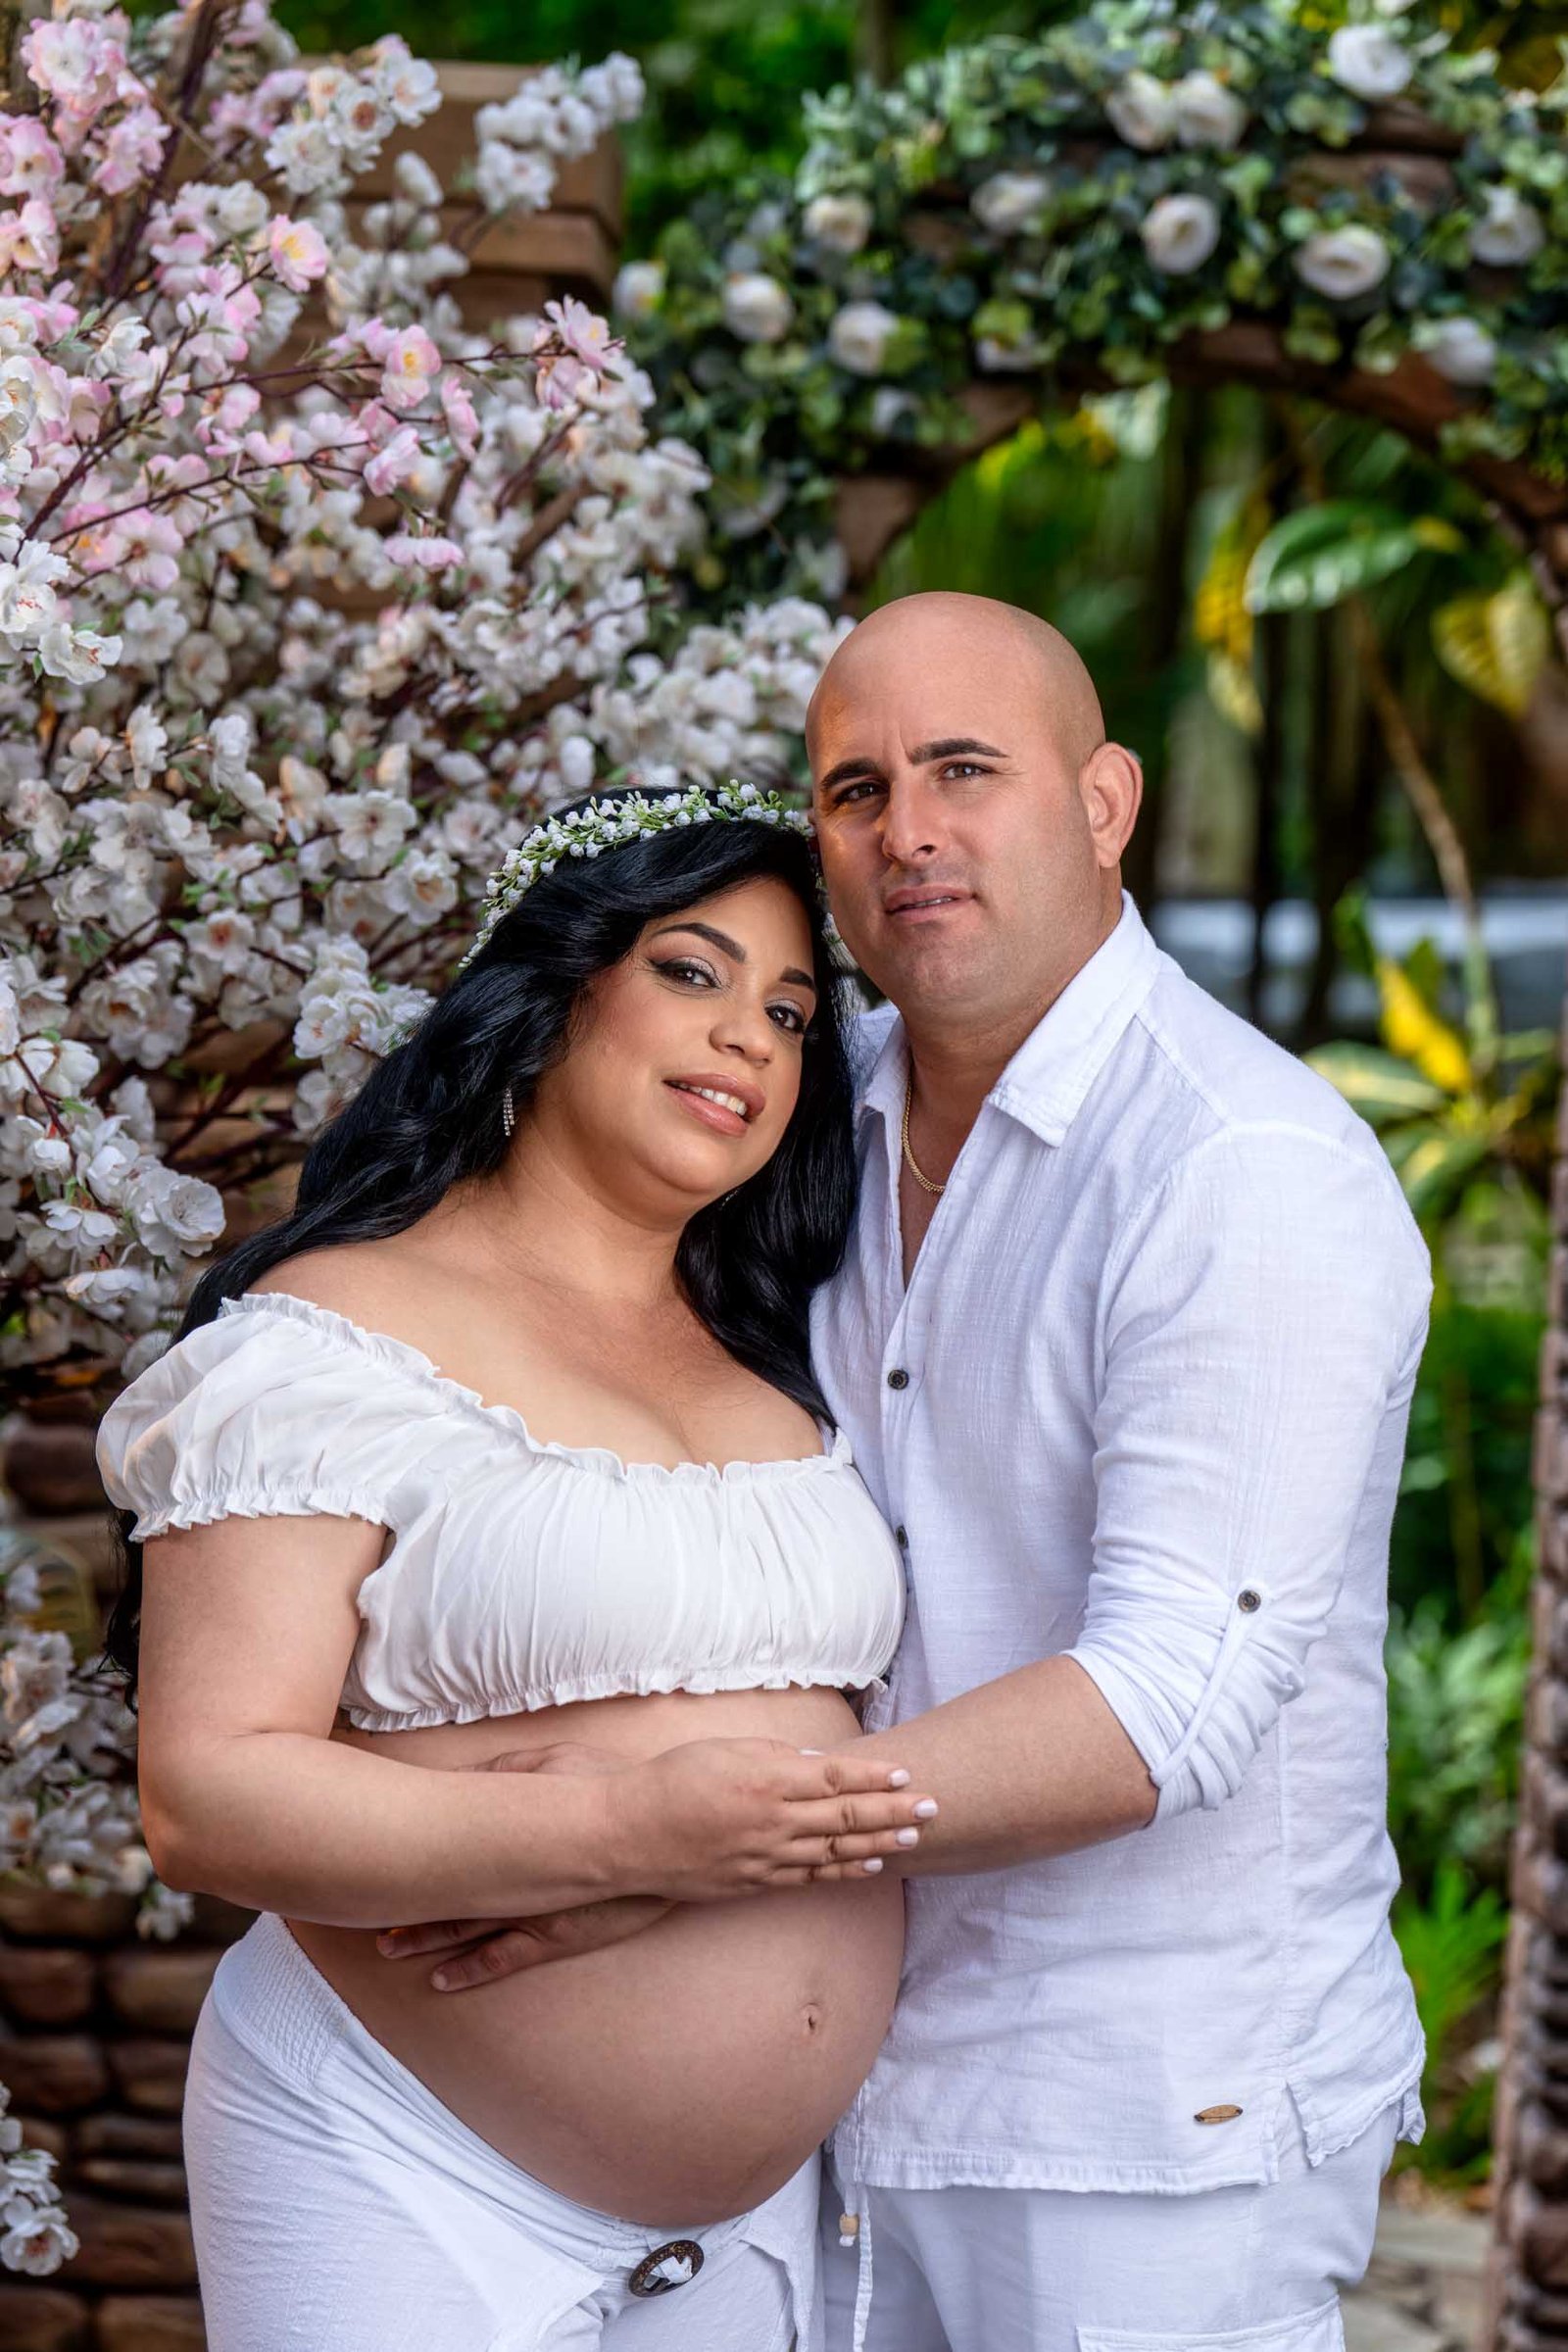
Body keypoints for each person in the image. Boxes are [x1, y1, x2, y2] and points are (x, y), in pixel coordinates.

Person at [404, 593, 1433, 2352]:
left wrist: (692, 1848)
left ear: (1103, 805)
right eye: (856, 790)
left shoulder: (1240, 1169)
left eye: (966, 770)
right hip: (838, 2121)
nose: (909, 832)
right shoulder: (804, 1110)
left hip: (1138, 2133)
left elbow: (1170, 1699)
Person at [94, 782, 945, 2352]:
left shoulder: (792, 1349)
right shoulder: (330, 1340)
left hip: (751, 2226)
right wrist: (626, 1831)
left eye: (790, 1011)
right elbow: (205, 1796)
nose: (751, 1038)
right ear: (552, 993)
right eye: (689, 972)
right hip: (399, 2163)